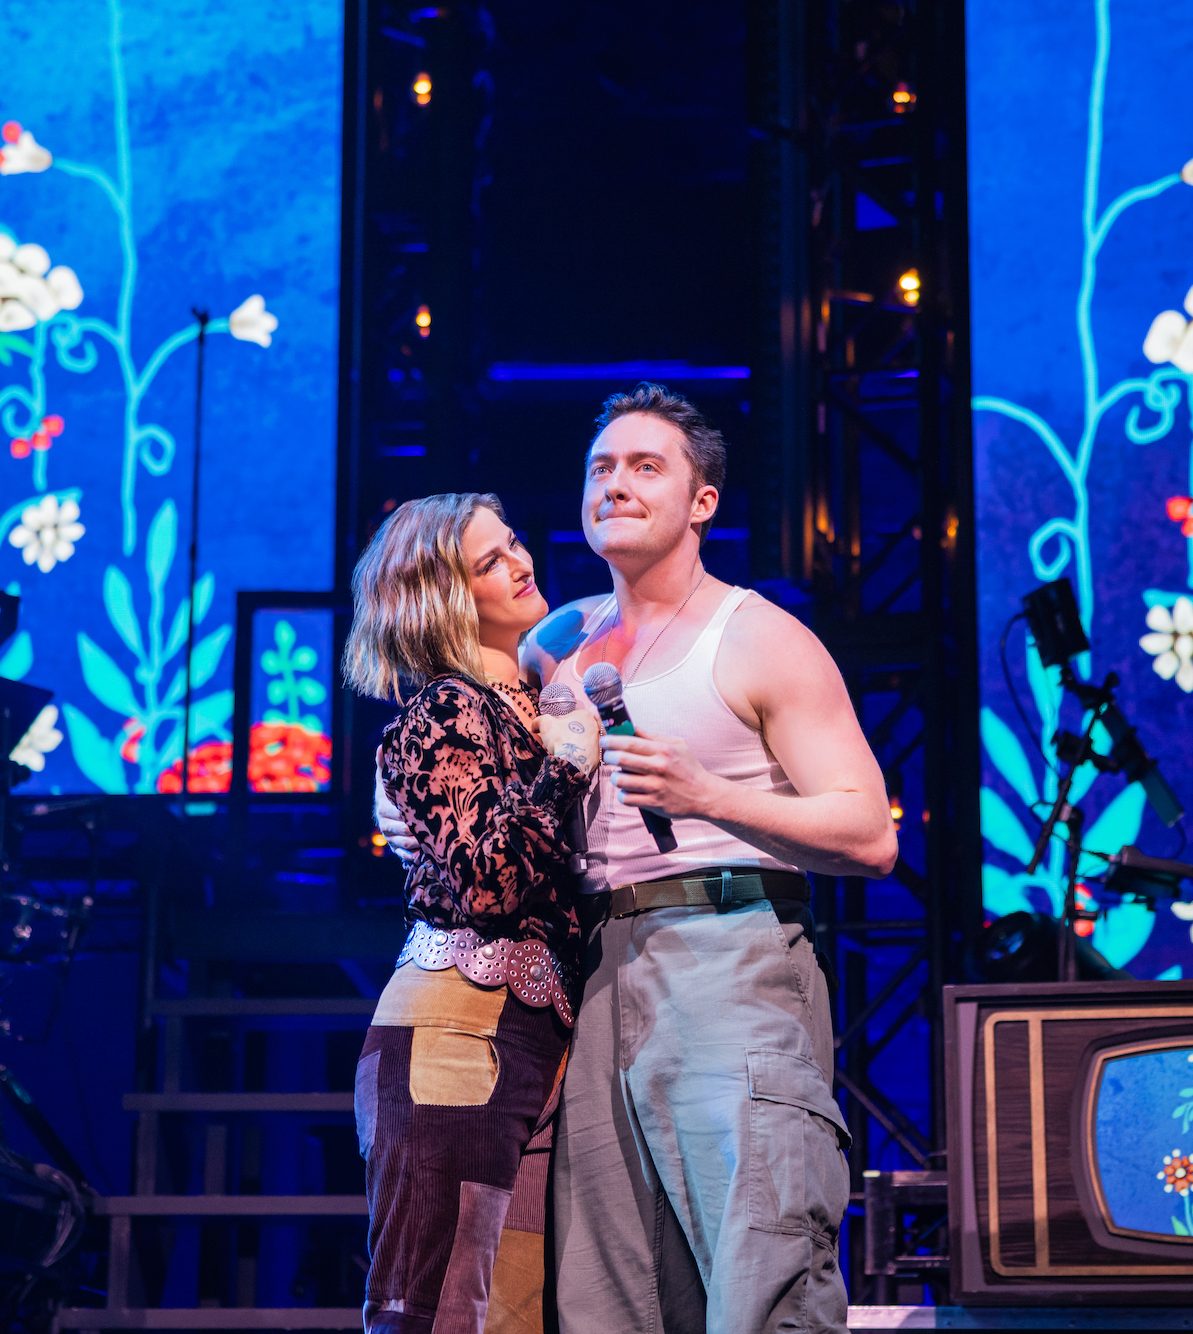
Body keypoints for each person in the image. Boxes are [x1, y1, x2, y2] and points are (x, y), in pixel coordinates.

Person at [531, 384, 894, 1332]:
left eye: (645, 467)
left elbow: (870, 834)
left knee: (760, 1264)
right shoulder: (558, 646)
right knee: (608, 1294)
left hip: (728, 953)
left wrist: (709, 796)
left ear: (703, 502)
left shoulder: (760, 636)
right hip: (596, 973)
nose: (615, 484)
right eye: (601, 468)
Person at [344, 492, 602, 1333]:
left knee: (511, 1314)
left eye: (514, 542)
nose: (521, 563)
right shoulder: (446, 709)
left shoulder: (539, 698)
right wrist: (565, 771)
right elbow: (489, 881)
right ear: (446, 599)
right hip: (455, 1029)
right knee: (435, 1309)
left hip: (535, 1037)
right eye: (490, 562)